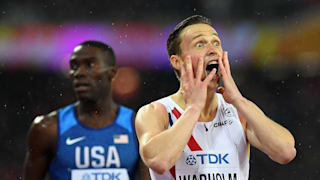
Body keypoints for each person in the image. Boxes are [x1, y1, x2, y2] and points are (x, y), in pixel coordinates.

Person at [135, 15, 296, 180]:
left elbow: (285, 152)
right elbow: (159, 161)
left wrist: (239, 100)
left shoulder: (239, 111)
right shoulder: (155, 112)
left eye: (216, 43)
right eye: (200, 44)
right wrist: (193, 108)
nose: (212, 50)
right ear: (178, 61)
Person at [23, 40, 150, 180]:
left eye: (89, 65)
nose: (79, 73)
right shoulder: (47, 128)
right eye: (74, 66)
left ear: (112, 72)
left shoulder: (137, 126)